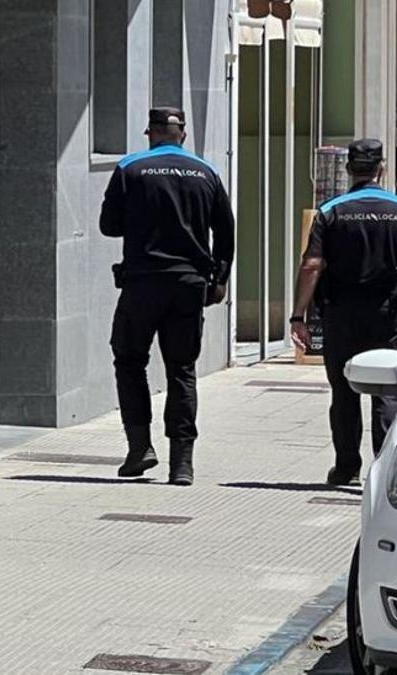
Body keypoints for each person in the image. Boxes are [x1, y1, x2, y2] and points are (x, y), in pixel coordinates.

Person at [99, 107, 235, 486]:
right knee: (182, 370)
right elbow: (225, 231)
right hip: (189, 285)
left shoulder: (130, 169)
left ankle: (140, 448)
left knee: (129, 361)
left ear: (151, 133)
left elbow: (108, 226)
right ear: (183, 135)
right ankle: (182, 464)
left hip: (142, 283)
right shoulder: (207, 172)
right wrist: (220, 278)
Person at [291, 139, 397, 486]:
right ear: (381, 168)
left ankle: (345, 468)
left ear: (349, 169)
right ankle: (384, 470)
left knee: (343, 391)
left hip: (340, 312)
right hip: (388, 313)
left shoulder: (331, 211)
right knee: (385, 389)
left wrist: (299, 315)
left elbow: (312, 265)